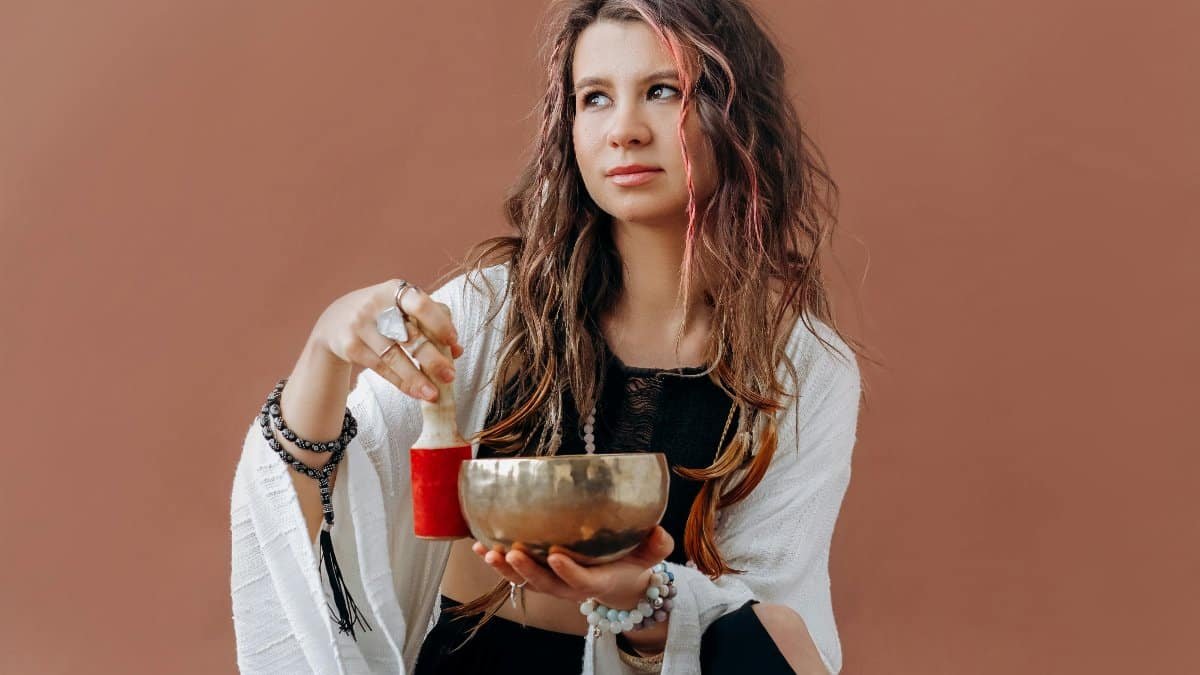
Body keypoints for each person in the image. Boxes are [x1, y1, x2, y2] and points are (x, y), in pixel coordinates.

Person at [230, 1, 866, 673]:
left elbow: (763, 622)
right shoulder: (490, 314)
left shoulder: (803, 365)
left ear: (735, 115)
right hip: (470, 658)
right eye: (594, 98)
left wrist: (640, 601)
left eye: (662, 91)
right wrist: (325, 352)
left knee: (763, 632)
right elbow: (317, 504)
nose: (623, 129)